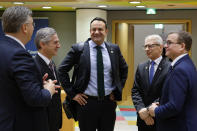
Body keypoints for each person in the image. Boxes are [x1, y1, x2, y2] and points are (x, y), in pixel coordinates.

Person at [58, 17, 128, 131]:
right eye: (93, 29)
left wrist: (117, 90)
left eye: (100, 29)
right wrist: (73, 94)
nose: (96, 32)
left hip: (108, 103)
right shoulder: (78, 49)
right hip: (86, 103)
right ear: (90, 31)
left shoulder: (114, 49)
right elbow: (62, 70)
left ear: (106, 31)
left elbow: (124, 69)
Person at [0, 6, 59, 131]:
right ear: (25, 28)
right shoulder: (19, 54)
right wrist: (49, 89)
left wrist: (36, 81)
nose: (33, 27)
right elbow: (36, 98)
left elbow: (10, 85)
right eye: (32, 24)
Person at [148, 31, 197, 131]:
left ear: (182, 46)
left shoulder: (180, 69)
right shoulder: (186, 64)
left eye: (169, 43)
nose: (165, 45)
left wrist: (156, 111)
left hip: (178, 125)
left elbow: (174, 106)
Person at [132, 34, 170, 131]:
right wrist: (141, 109)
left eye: (150, 46)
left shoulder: (170, 67)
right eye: (145, 46)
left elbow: (167, 92)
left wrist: (148, 110)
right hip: (142, 118)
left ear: (161, 47)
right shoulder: (141, 67)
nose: (147, 49)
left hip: (161, 117)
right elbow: (135, 90)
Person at [34, 27, 62, 131]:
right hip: (43, 123)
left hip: (54, 122)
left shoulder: (52, 64)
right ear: (42, 44)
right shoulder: (33, 66)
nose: (59, 46)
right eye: (55, 43)